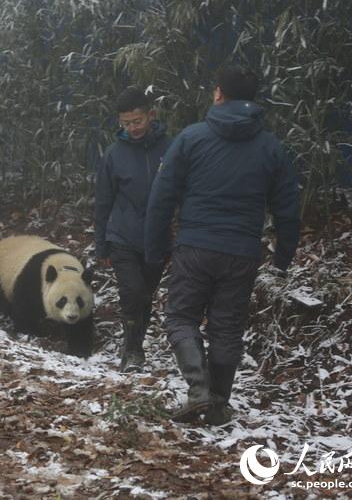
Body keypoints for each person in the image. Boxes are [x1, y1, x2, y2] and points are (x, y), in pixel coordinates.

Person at [144, 65, 300, 425]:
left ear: (218, 94)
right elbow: (287, 206)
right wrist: (284, 255)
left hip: (195, 247)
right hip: (242, 252)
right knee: (227, 328)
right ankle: (218, 402)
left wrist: (155, 249)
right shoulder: (270, 147)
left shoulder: (191, 138)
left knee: (181, 317)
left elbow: (161, 198)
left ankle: (199, 392)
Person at [95, 86, 170, 372]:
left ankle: (135, 344)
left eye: (137, 121)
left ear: (151, 115)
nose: (132, 128)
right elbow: (103, 201)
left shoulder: (170, 148)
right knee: (132, 292)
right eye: (126, 123)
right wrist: (101, 243)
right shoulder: (114, 154)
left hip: (157, 238)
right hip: (122, 235)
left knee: (146, 295)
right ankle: (133, 351)